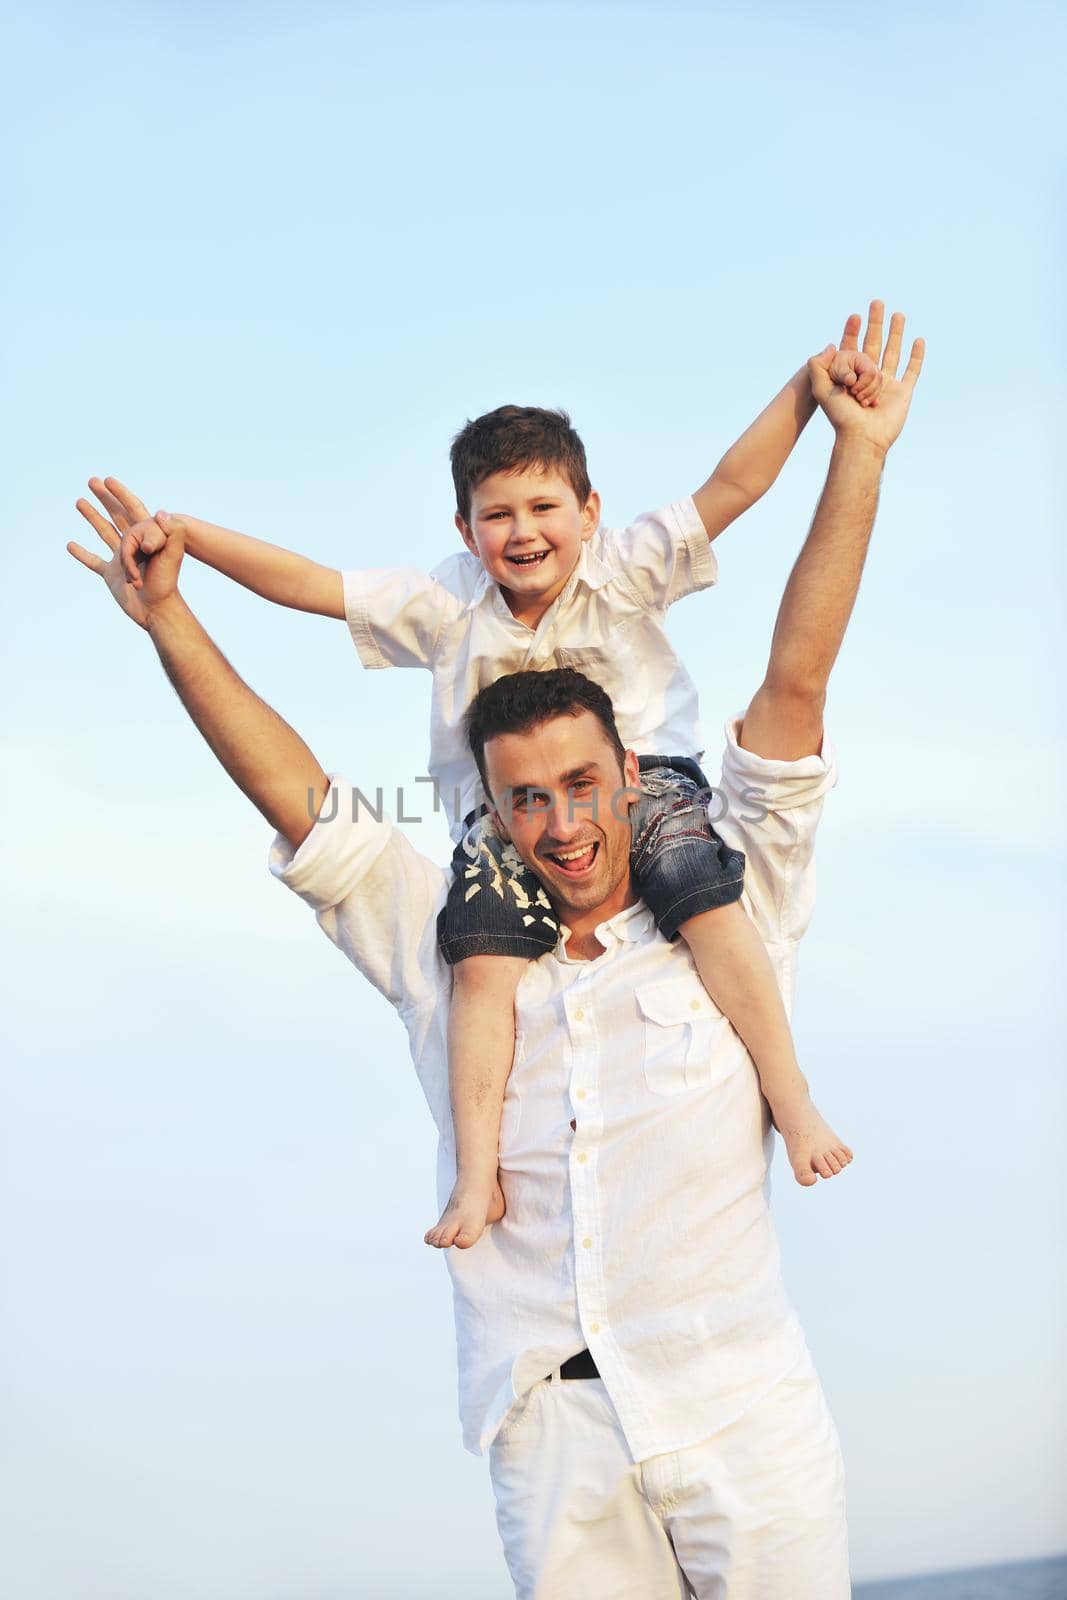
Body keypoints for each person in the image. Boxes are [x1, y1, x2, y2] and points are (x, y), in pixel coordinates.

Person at [67, 304, 924, 1597]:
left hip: (739, 1410)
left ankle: (794, 1089)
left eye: (584, 788)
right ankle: (472, 1175)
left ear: (624, 773)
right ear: (488, 802)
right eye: (526, 799)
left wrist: (845, 439)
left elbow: (791, 677)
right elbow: (298, 793)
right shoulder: (457, 939)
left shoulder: (724, 888)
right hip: (553, 1434)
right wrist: (171, 608)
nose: (562, 824)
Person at [103, 316, 883, 1249]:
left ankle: (791, 1100)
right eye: (497, 514)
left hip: (652, 786)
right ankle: (477, 1178)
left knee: (703, 897)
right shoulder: (442, 605)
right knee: (478, 962)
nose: (522, 533)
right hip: (492, 819)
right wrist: (192, 537)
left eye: (544, 507)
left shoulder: (626, 567)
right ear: (464, 529)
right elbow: (312, 584)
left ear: (588, 512)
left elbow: (734, 483)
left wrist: (807, 392)